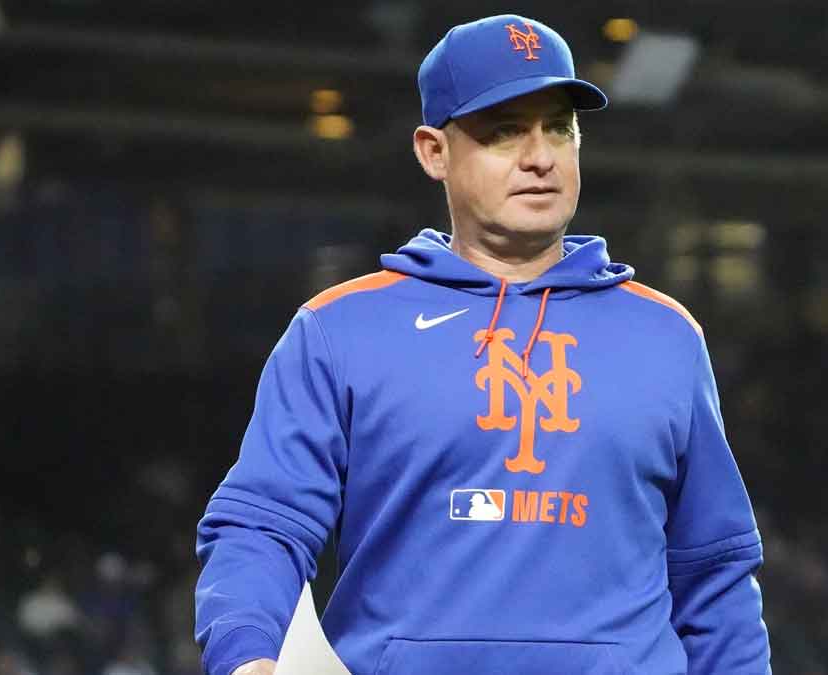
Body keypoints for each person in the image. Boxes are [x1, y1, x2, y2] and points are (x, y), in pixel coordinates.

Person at [195, 13, 770, 675]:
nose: (540, 155)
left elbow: (716, 574)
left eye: (560, 127)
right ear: (433, 151)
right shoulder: (340, 328)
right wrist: (246, 657)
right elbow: (261, 522)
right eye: (504, 131)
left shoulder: (667, 335)